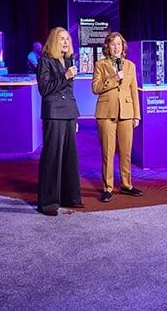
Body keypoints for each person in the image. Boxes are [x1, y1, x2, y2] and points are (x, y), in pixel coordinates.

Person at [35, 27, 82, 216]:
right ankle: (48, 203)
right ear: (54, 41)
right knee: (52, 157)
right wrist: (65, 76)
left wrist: (74, 116)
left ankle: (69, 197)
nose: (65, 42)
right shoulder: (45, 61)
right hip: (54, 113)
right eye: (62, 39)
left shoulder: (69, 60)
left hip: (69, 113)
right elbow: (45, 89)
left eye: (67, 39)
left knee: (70, 157)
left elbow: (69, 91)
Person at [92, 32, 142, 202]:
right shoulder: (100, 65)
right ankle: (108, 187)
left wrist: (137, 115)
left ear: (123, 47)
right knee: (108, 152)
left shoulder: (130, 66)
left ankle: (127, 185)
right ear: (107, 46)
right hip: (106, 114)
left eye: (119, 44)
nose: (116, 47)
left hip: (127, 113)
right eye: (113, 44)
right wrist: (114, 78)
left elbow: (134, 91)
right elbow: (96, 88)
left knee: (126, 152)